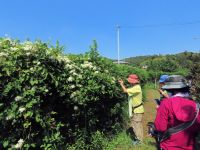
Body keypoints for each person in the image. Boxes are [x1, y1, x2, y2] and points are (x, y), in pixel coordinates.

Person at [154, 75, 200, 150]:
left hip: (169, 146)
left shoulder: (166, 103)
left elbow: (160, 127)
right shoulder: (196, 105)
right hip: (190, 146)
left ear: (171, 89)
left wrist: (159, 111)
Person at [118, 74, 144, 144]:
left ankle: (139, 141)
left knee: (136, 125)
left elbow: (125, 91)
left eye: (130, 80)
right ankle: (140, 139)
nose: (129, 82)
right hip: (137, 110)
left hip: (137, 110)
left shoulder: (137, 88)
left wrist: (121, 84)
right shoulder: (135, 87)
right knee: (137, 125)